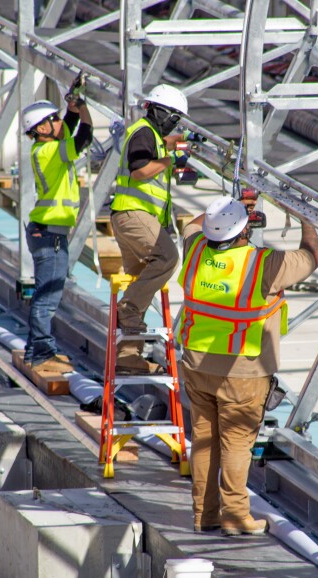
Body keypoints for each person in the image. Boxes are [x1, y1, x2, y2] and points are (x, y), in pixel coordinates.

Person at [178, 197, 318, 536]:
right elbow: (311, 257)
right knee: (236, 442)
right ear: (246, 229)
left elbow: (191, 225)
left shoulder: (195, 249)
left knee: (204, 440)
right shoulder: (263, 264)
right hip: (243, 370)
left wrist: (228, 205)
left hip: (197, 363)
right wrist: (306, 217)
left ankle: (204, 515)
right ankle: (235, 515)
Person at [111, 84, 190, 375]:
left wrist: (181, 142)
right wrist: (172, 160)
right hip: (136, 215)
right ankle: (127, 312)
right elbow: (140, 169)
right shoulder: (143, 131)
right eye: (173, 118)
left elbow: (162, 144)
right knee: (167, 260)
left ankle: (128, 355)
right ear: (159, 111)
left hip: (131, 217)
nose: (174, 123)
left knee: (139, 282)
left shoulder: (152, 135)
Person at [20, 96, 92, 371]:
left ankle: (35, 350)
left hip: (47, 232)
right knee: (47, 297)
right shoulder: (50, 152)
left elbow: (65, 129)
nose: (58, 122)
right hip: (49, 235)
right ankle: (41, 354)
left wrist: (70, 111)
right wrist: (83, 109)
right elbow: (82, 138)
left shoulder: (46, 147)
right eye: (51, 119)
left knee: (46, 294)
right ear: (39, 129)